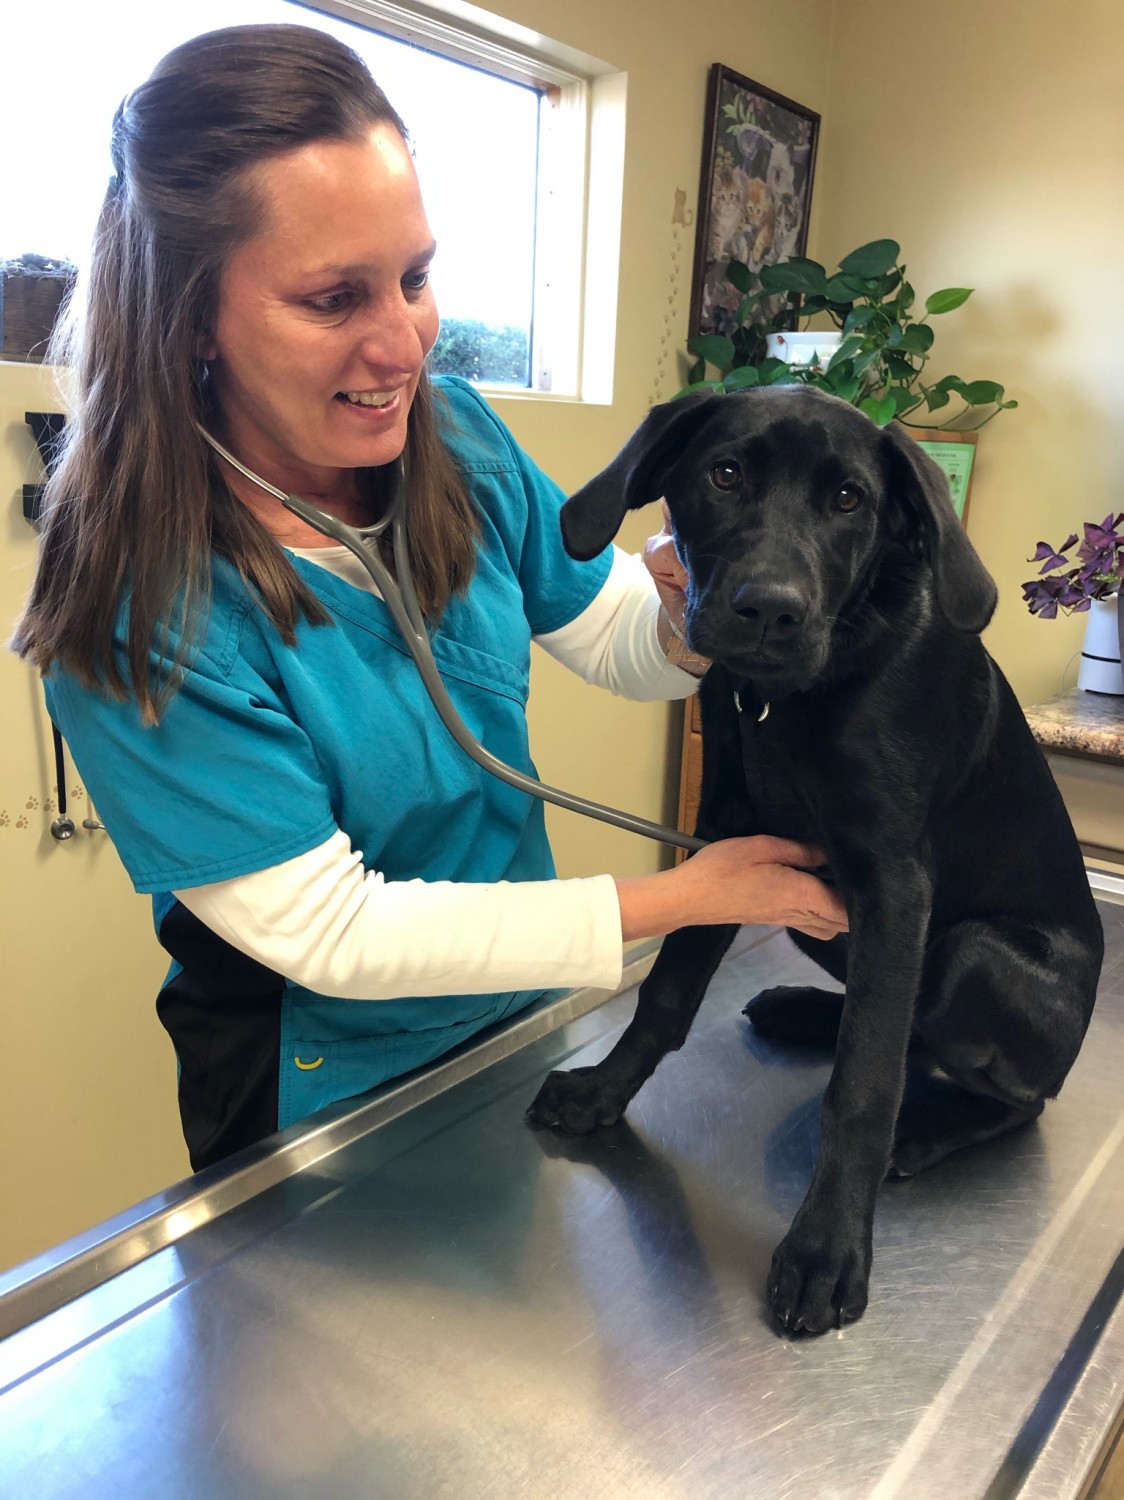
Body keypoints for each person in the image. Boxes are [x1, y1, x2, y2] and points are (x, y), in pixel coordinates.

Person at [12, 24, 846, 1171]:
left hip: (512, 1012)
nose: (400, 342)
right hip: (318, 1075)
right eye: (332, 298)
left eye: (412, 277)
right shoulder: (136, 600)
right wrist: (684, 897)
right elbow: (331, 934)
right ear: (190, 313)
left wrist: (704, 598)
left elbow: (611, 638)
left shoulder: (455, 440)